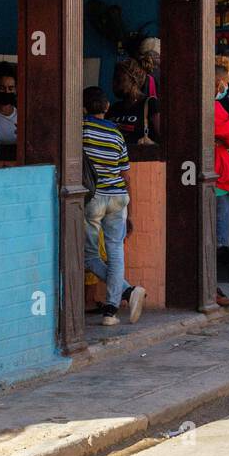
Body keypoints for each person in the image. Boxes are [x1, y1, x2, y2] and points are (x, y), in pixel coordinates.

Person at [83, 86, 146, 326]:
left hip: (94, 199)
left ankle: (128, 292)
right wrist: (133, 210)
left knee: (89, 255)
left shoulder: (81, 129)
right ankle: (112, 310)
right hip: (119, 197)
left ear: (84, 108)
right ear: (107, 108)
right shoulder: (117, 134)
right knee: (115, 251)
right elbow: (126, 175)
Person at [212, 60, 229, 308]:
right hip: (218, 178)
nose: (227, 87)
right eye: (227, 82)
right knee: (216, 240)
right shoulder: (215, 109)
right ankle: (212, 288)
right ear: (218, 82)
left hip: (209, 176)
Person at [107, 57, 160, 145]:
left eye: (118, 78)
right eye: (113, 79)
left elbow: (167, 142)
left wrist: (152, 144)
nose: (114, 83)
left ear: (133, 79)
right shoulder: (114, 108)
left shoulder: (150, 104)